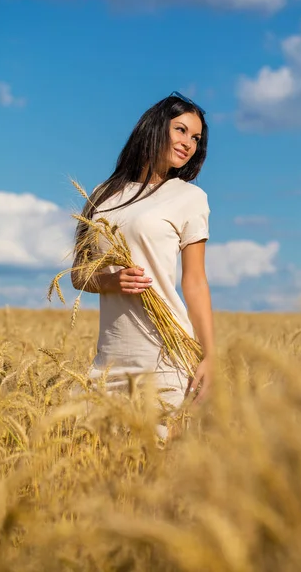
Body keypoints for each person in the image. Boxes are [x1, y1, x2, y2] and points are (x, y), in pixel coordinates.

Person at [71, 92, 214, 433]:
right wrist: (110, 281)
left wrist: (210, 355)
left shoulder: (189, 198)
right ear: (154, 127)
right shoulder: (102, 195)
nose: (188, 143)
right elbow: (78, 273)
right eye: (180, 130)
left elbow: (194, 281)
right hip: (107, 362)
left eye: (196, 138)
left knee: (155, 475)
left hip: (165, 359)